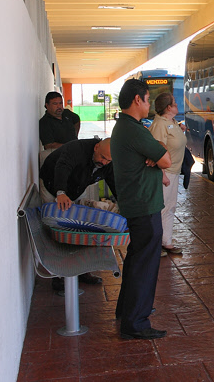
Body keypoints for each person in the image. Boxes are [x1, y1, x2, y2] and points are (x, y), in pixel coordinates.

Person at [111, 79, 171, 340]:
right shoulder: (135, 130)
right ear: (138, 100)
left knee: (137, 259)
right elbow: (166, 159)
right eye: (147, 100)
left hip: (137, 203)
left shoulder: (126, 127)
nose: (149, 105)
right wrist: (157, 157)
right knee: (145, 263)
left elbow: (161, 154)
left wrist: (157, 155)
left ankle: (127, 310)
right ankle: (136, 321)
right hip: (144, 204)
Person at [39, 137, 118, 290]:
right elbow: (62, 166)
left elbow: (114, 182)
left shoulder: (108, 161)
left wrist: (123, 204)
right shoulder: (77, 149)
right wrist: (60, 192)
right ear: (96, 147)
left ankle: (82, 271)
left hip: (76, 188)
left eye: (108, 161)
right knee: (56, 231)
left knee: (81, 228)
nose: (104, 162)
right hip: (52, 185)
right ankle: (58, 276)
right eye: (102, 158)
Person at [148, 92, 187, 256]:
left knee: (169, 207)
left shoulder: (171, 121)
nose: (177, 105)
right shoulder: (160, 124)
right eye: (175, 103)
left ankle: (167, 241)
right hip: (165, 173)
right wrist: (162, 174)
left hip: (174, 171)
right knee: (161, 208)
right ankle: (156, 245)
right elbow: (157, 150)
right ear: (168, 107)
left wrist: (180, 129)